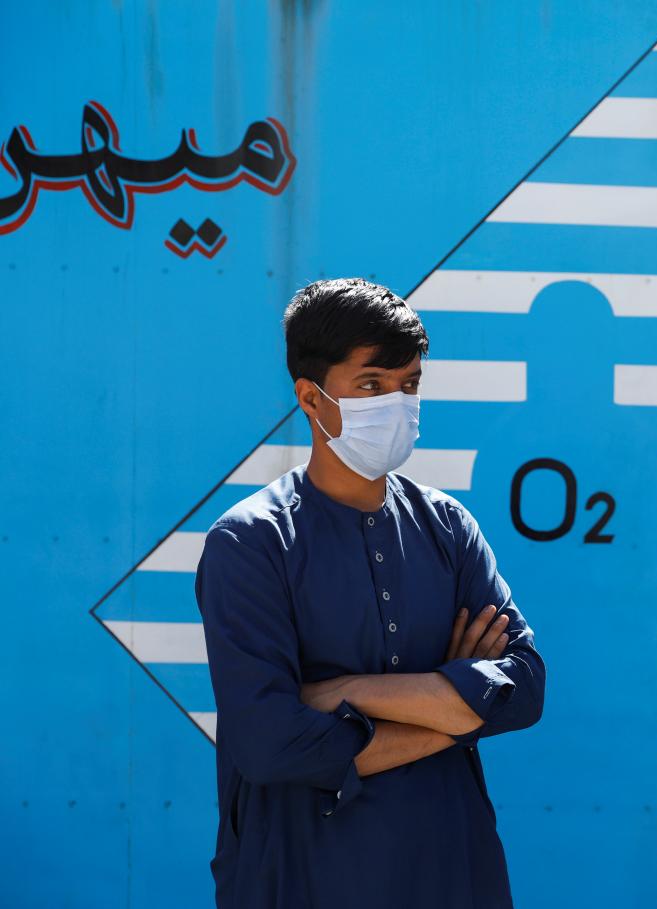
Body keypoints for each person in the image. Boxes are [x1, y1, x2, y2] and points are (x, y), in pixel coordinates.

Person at [194, 277, 544, 908]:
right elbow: (271, 743)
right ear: (311, 397)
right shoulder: (251, 543)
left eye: (409, 384)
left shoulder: (448, 528)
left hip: (449, 869)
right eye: (372, 385)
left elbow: (523, 688)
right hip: (301, 875)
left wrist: (348, 693)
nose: (398, 403)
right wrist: (458, 710)